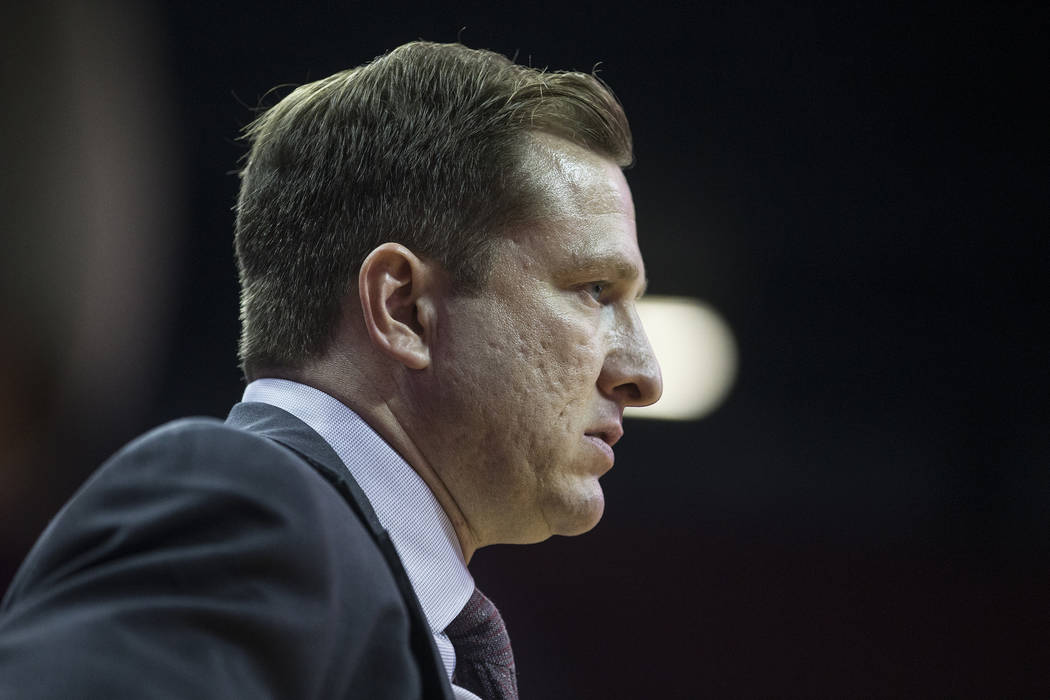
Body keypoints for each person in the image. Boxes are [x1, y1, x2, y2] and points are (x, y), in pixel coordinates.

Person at [0, 41, 661, 699]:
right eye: (595, 290)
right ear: (404, 309)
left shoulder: (369, 604)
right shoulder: (243, 506)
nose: (645, 374)